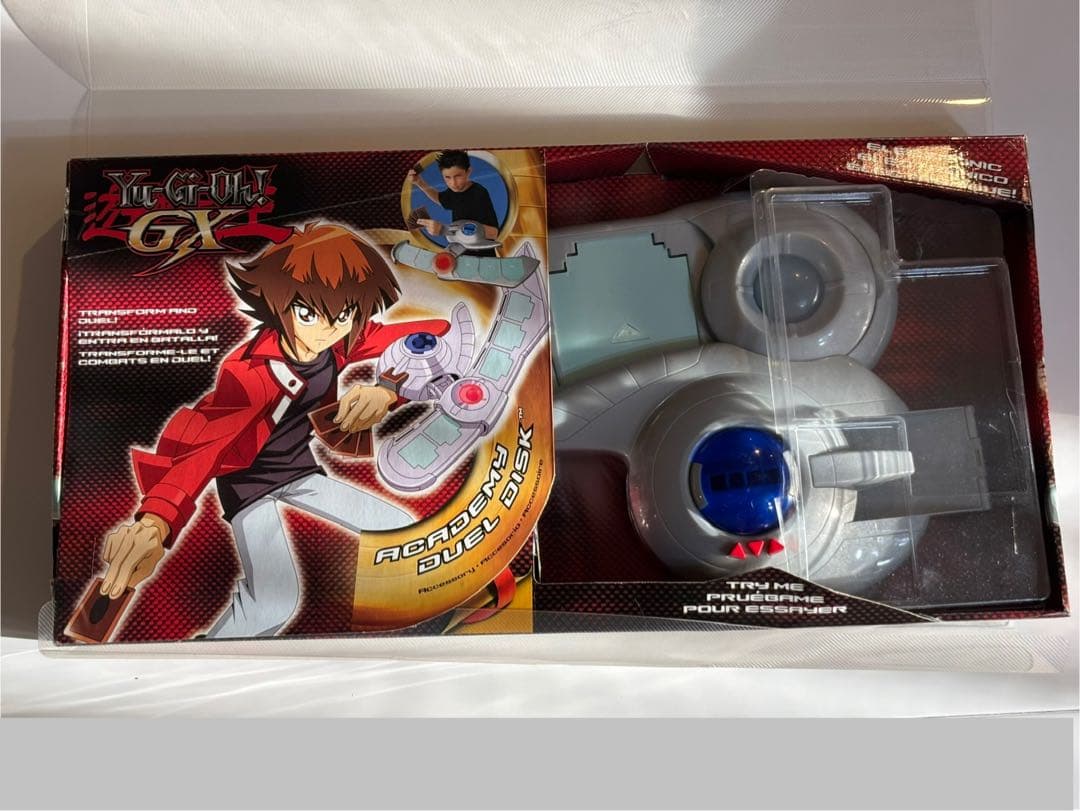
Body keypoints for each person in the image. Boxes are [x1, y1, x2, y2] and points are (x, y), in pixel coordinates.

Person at [93, 223, 449, 638]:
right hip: (248, 483)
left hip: (298, 470)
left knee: (402, 530)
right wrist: (156, 522)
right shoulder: (251, 375)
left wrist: (388, 389)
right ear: (279, 303)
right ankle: (209, 653)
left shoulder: (338, 341)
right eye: (308, 313)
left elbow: (432, 333)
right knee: (274, 601)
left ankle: (416, 620)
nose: (326, 328)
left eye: (344, 314)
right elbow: (204, 449)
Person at [408, 150, 500, 256]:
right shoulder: (454, 191)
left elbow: (493, 233)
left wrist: (445, 229)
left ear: (468, 171)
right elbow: (440, 198)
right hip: (460, 254)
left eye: (458, 176)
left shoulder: (478, 194)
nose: (453, 183)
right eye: (447, 177)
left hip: (482, 257)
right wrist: (419, 182)